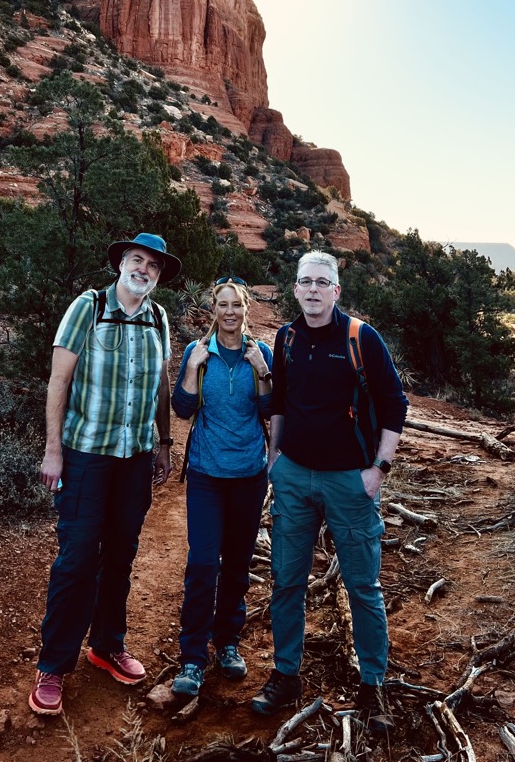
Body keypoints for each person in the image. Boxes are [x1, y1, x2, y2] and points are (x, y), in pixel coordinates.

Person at [252, 251, 408, 735]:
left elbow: (395, 404)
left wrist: (378, 469)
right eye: (305, 282)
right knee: (286, 580)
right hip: (295, 477)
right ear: (295, 289)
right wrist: (275, 460)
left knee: (362, 585)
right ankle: (285, 675)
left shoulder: (362, 337)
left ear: (336, 291)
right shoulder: (287, 337)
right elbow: (279, 402)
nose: (314, 290)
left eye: (323, 282)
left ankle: (374, 684)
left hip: (350, 481)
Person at [28, 232, 181, 718]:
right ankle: (53, 665)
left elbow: (160, 385)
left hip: (135, 457)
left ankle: (106, 645)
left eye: (153, 266)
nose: (144, 270)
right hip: (86, 455)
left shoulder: (158, 318)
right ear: (121, 264)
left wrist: (163, 443)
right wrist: (53, 451)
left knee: (120, 553)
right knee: (76, 558)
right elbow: (59, 380)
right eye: (137, 260)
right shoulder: (87, 307)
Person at [170, 277, 274, 697]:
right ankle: (192, 657)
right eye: (222, 305)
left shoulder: (259, 352)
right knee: (202, 565)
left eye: (236, 305)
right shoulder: (199, 353)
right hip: (207, 474)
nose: (229, 312)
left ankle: (227, 643)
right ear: (213, 309)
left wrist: (263, 372)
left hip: (249, 474)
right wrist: (193, 368)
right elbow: (181, 409)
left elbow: (268, 408)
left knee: (236, 563)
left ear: (246, 309)